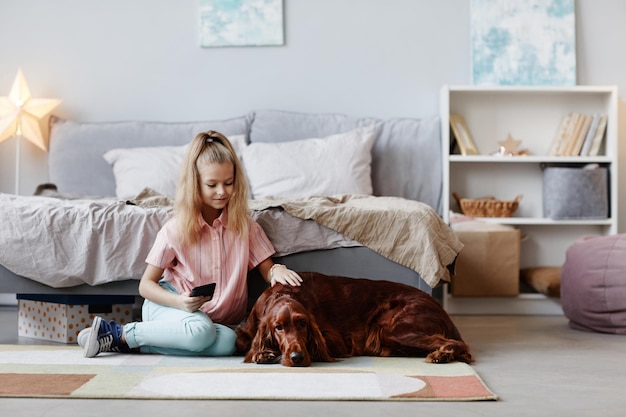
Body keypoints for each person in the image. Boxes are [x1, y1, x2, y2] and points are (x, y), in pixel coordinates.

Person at [82, 130, 302, 358]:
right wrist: (179, 302)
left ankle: (125, 342)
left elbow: (266, 268)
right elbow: (146, 285)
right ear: (195, 184)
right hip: (170, 306)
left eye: (228, 183)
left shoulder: (244, 226)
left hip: (211, 323)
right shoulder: (175, 229)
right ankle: (121, 331)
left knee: (228, 342)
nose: (222, 192)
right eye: (212, 185)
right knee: (200, 332)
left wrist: (277, 269)